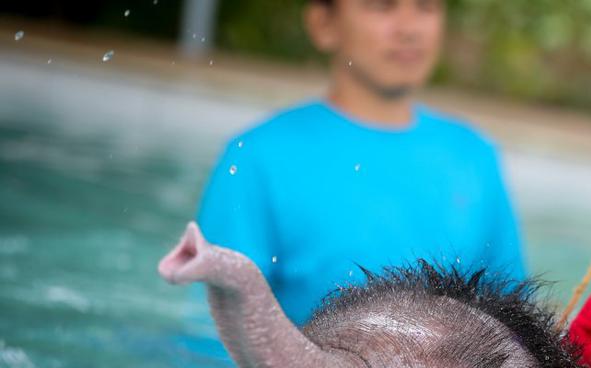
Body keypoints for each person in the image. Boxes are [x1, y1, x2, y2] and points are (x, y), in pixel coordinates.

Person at [196, 0, 526, 326]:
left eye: (426, 6)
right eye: (382, 6)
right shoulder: (256, 158)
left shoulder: (474, 157)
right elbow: (218, 331)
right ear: (324, 25)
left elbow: (515, 324)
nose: (409, 28)